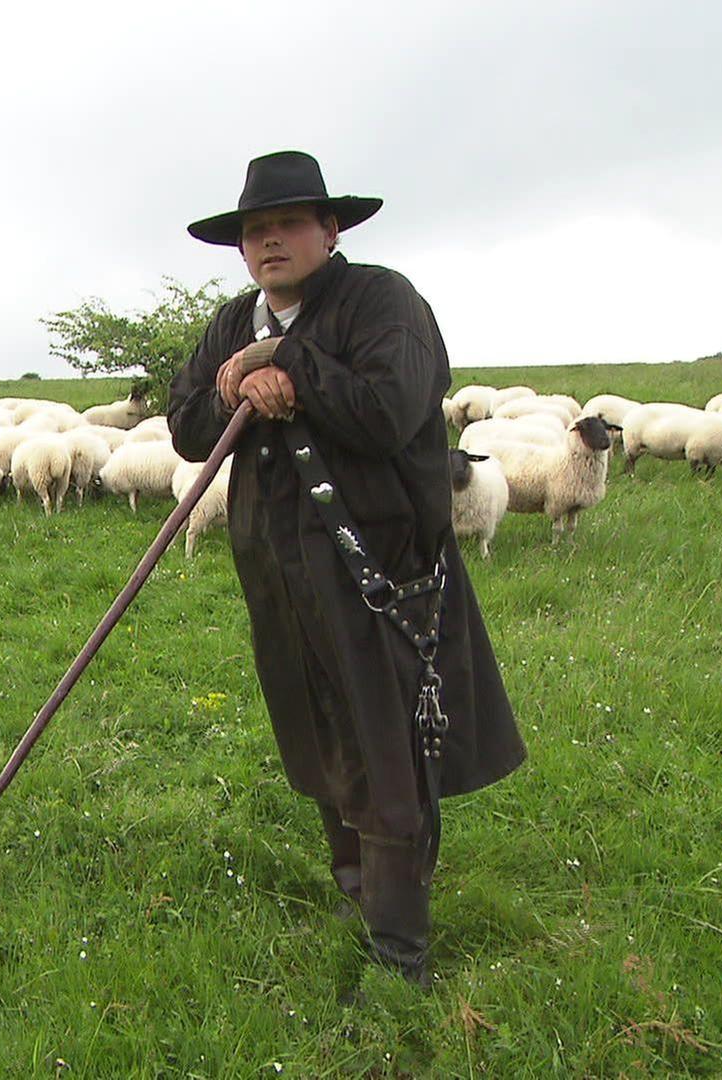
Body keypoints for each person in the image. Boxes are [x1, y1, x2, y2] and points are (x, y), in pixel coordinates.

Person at [165, 150, 525, 985]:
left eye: (289, 223)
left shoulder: (383, 302)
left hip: (380, 570)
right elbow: (186, 428)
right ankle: (357, 893)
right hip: (276, 570)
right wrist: (233, 390)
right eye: (255, 231)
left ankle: (401, 954)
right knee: (318, 731)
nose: (269, 243)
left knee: (386, 746)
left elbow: (390, 410)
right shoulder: (232, 322)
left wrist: (293, 372)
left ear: (331, 230)